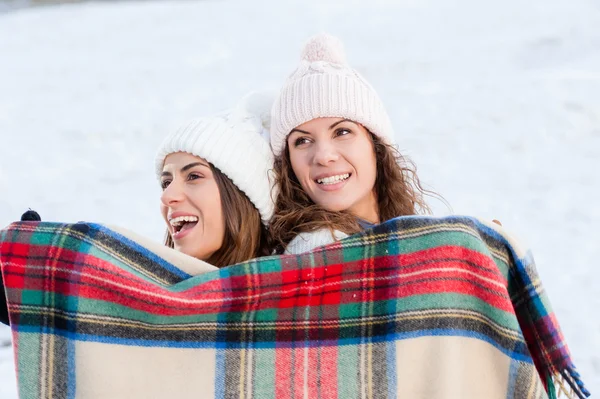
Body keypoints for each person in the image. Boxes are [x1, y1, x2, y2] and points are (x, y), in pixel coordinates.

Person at [269, 34, 434, 254]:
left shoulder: (401, 231)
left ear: (376, 145)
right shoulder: (317, 247)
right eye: (303, 140)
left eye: (342, 132)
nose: (323, 155)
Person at [156, 92, 274, 266]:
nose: (166, 197)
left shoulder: (295, 288)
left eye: (193, 176)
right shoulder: (137, 287)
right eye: (166, 183)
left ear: (241, 196)